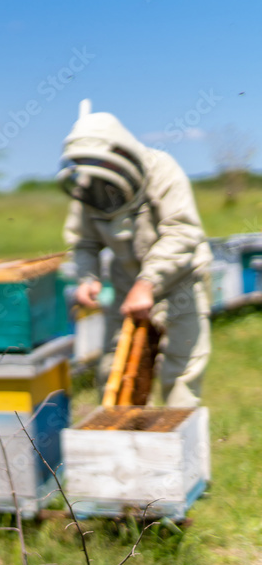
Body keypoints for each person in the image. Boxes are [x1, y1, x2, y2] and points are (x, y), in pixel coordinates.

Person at [60, 100, 212, 406]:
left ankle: (179, 450)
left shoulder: (162, 170)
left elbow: (183, 231)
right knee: (113, 375)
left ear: (123, 154)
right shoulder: (87, 186)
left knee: (180, 377)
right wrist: (87, 278)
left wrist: (149, 283)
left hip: (180, 281)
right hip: (126, 285)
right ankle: (125, 450)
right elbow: (84, 243)